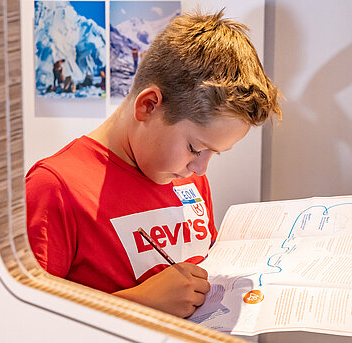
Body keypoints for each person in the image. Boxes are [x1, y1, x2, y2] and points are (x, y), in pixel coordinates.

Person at [26, 9, 281, 319]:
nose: (201, 170)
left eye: (216, 152)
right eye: (194, 148)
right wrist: (137, 305)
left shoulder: (187, 177)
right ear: (149, 106)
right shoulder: (55, 189)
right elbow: (25, 324)